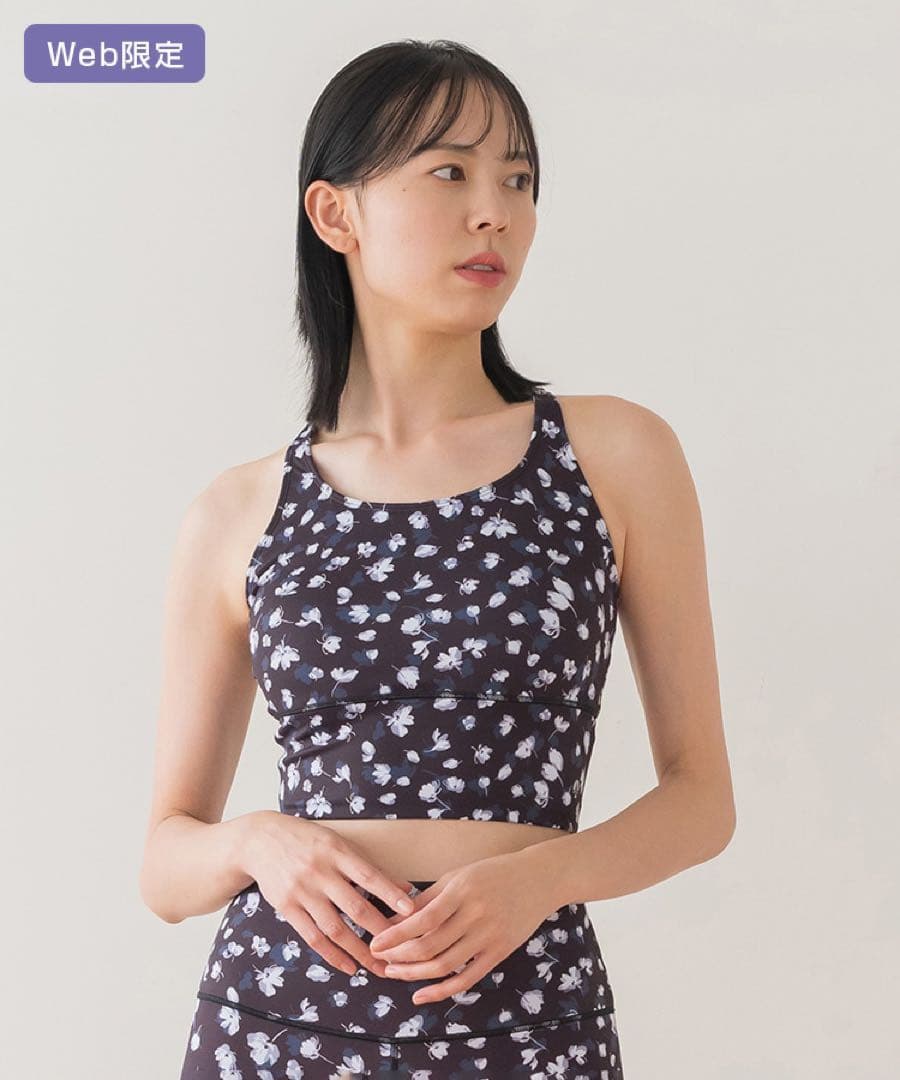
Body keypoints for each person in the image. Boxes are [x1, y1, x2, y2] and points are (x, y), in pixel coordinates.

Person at [140, 38, 736, 1079]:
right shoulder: (238, 511)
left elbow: (701, 800)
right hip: (276, 1025)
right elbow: (164, 862)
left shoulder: (615, 456)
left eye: (519, 180)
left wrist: (544, 876)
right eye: (450, 172)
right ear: (336, 215)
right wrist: (257, 840)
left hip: (526, 1019)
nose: (494, 212)